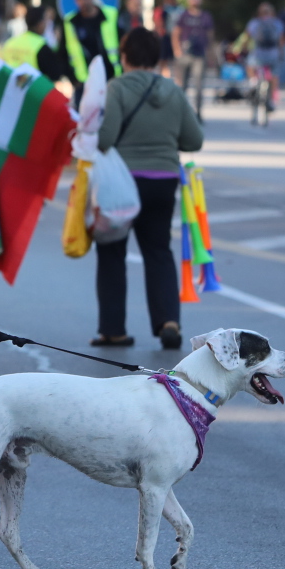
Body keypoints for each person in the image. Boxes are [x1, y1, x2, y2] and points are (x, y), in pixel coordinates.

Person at [91, 27, 203, 350]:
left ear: (124, 57)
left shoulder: (117, 88)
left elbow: (105, 139)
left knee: (112, 252)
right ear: (156, 58)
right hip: (163, 182)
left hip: (123, 184)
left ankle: (113, 330)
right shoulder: (173, 90)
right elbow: (194, 140)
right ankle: (169, 321)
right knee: (158, 251)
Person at [171, 0, 215, 117]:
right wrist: (177, 50)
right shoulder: (183, 15)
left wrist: (211, 54)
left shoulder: (206, 16)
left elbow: (210, 36)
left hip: (199, 55)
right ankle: (181, 113)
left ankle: (198, 113)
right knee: (182, 85)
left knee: (199, 85)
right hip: (185, 54)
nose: (195, 0)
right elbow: (176, 33)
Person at [245, 1, 285, 124]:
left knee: (250, 65)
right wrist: (281, 52)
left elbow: (247, 37)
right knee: (274, 76)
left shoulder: (255, 23)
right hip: (273, 54)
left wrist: (244, 49)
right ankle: (272, 99)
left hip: (258, 53)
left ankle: (253, 83)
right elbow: (282, 39)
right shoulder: (277, 23)